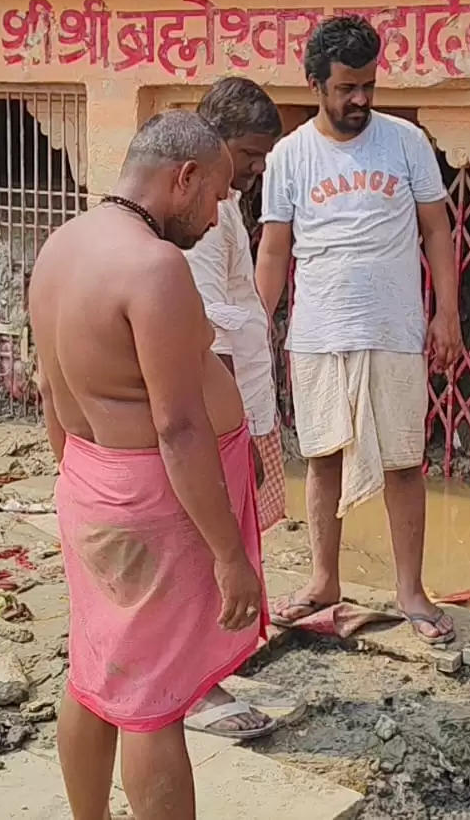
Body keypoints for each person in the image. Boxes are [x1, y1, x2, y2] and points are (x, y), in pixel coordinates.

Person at [29, 110, 266, 820]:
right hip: (153, 504)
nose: (221, 210)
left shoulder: (62, 244)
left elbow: (49, 389)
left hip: (92, 478)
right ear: (183, 177)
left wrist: (83, 484)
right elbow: (178, 422)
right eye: (220, 193)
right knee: (151, 704)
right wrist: (229, 552)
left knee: (96, 669)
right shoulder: (154, 266)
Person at [255, 15, 465, 645]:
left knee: (404, 461)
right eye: (347, 87)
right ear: (316, 83)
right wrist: (254, 327)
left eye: (368, 85)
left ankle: (411, 591)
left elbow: (436, 230)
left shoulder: (406, 142)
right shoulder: (288, 156)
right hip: (319, 329)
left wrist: (446, 312)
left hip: (395, 328)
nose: (361, 100)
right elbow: (273, 250)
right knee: (320, 459)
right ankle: (323, 581)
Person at [178, 76, 288, 739]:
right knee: (208, 545)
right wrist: (231, 428)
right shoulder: (199, 218)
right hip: (225, 411)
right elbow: (205, 331)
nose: (255, 169)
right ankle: (195, 685)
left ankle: (210, 664)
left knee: (236, 541)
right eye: (248, 154)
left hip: (245, 400)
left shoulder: (221, 209)